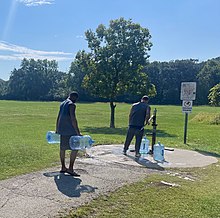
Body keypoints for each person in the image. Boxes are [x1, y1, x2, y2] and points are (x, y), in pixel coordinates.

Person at [56, 91, 81, 177]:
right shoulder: (71, 105)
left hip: (62, 129)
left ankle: (63, 167)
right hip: (70, 130)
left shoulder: (62, 103)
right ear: (74, 97)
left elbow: (58, 116)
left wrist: (57, 128)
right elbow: (73, 119)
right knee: (75, 148)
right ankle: (70, 168)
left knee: (62, 148)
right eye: (76, 99)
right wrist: (78, 132)